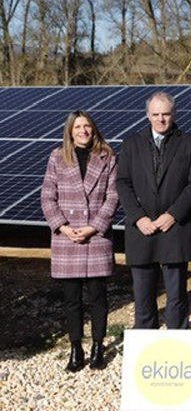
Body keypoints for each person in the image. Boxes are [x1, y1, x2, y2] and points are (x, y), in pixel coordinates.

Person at [116, 91, 191, 329]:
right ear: (147, 115)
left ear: (174, 114)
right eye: (155, 114)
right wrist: (138, 217)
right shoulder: (131, 143)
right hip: (141, 230)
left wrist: (173, 214)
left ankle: (177, 343)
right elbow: (122, 182)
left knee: (176, 296)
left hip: (175, 228)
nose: (161, 119)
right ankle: (146, 344)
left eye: (166, 114)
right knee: (143, 296)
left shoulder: (189, 143)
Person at [41, 111, 118, 372]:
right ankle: (76, 348)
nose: (83, 131)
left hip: (96, 236)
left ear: (93, 129)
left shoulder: (107, 156)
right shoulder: (56, 157)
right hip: (67, 239)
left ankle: (98, 346)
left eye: (87, 126)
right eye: (78, 127)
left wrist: (93, 227)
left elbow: (113, 197)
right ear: (70, 131)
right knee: (71, 299)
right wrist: (62, 227)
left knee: (98, 296)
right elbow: (47, 197)